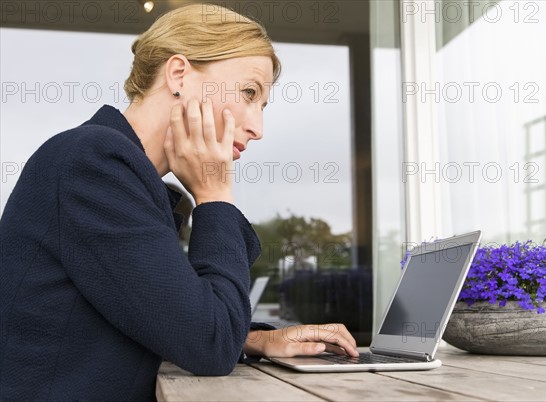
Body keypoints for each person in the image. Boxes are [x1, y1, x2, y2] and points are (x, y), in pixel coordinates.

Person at [0, 4, 358, 400]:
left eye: (262, 105)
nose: (257, 127)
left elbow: (167, 319)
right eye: (249, 92)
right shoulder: (93, 162)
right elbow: (209, 345)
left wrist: (252, 338)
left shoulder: (120, 173)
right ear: (179, 75)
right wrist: (214, 194)